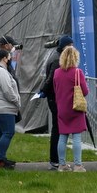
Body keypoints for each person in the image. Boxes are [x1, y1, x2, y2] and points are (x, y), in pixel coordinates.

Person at [53, 46, 90, 173]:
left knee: (62, 136)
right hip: (75, 108)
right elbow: (85, 91)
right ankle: (78, 165)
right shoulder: (77, 72)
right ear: (75, 58)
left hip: (62, 108)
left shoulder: (57, 72)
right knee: (76, 137)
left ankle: (62, 164)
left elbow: (55, 89)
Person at [40, 35, 73, 170]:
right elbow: (51, 79)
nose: (72, 48)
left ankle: (57, 160)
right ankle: (56, 160)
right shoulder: (57, 59)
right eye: (70, 45)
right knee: (58, 130)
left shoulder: (54, 56)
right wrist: (43, 90)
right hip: (56, 98)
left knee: (58, 129)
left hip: (53, 97)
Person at [0, 49, 20, 169]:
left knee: (0, 133)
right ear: (4, 59)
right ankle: (1, 159)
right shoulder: (1, 71)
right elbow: (7, 90)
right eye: (9, 57)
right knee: (8, 132)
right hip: (4, 107)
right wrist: (16, 101)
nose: (10, 59)